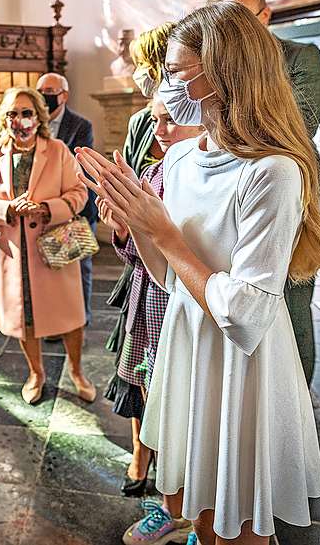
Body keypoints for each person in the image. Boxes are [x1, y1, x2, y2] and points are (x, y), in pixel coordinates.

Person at [78, 1, 320, 545]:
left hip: (240, 362)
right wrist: (137, 226)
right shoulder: (179, 160)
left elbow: (245, 315)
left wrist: (167, 235)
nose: (163, 86)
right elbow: (167, 277)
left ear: (221, 71)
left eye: (174, 72)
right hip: (187, 340)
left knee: (237, 519)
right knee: (199, 506)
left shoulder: (273, 172)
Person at [225, 0, 320, 385]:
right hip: (237, 185)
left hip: (291, 185)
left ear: (264, 16)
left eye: (242, 15)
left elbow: (300, 124)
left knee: (290, 290)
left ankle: (297, 390)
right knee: (244, 291)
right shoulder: (226, 62)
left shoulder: (300, 57)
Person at [0, 86, 93, 405]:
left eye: (26, 113)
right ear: (3, 119)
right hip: (14, 253)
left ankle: (77, 372)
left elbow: (79, 195)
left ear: (38, 118)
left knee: (70, 314)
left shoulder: (58, 151)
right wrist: (8, 209)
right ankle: (36, 373)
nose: (19, 121)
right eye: (12, 114)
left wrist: (48, 208)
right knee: (24, 318)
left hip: (54, 247)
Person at [108, 95, 204, 504]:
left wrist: (151, 231)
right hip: (148, 305)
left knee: (184, 411)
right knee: (150, 393)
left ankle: (182, 503)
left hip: (186, 308)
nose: (159, 131)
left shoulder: (204, 179)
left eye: (170, 120)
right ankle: (164, 489)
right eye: (155, 120)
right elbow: (134, 258)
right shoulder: (153, 172)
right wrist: (125, 227)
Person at [103, 23, 179, 493]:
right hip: (145, 283)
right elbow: (134, 189)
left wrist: (136, 219)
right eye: (156, 122)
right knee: (143, 376)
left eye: (144, 66)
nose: (159, 130)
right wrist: (121, 217)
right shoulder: (151, 144)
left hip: (179, 290)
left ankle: (176, 485)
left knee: (176, 396)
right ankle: (146, 461)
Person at [36, 72, 98, 328]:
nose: (45, 98)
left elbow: (80, 168)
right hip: (46, 209)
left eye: (50, 92)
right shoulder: (34, 123)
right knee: (50, 270)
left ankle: (79, 319)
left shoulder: (81, 125)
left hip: (77, 207)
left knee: (78, 266)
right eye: (41, 91)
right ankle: (54, 319)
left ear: (64, 95)